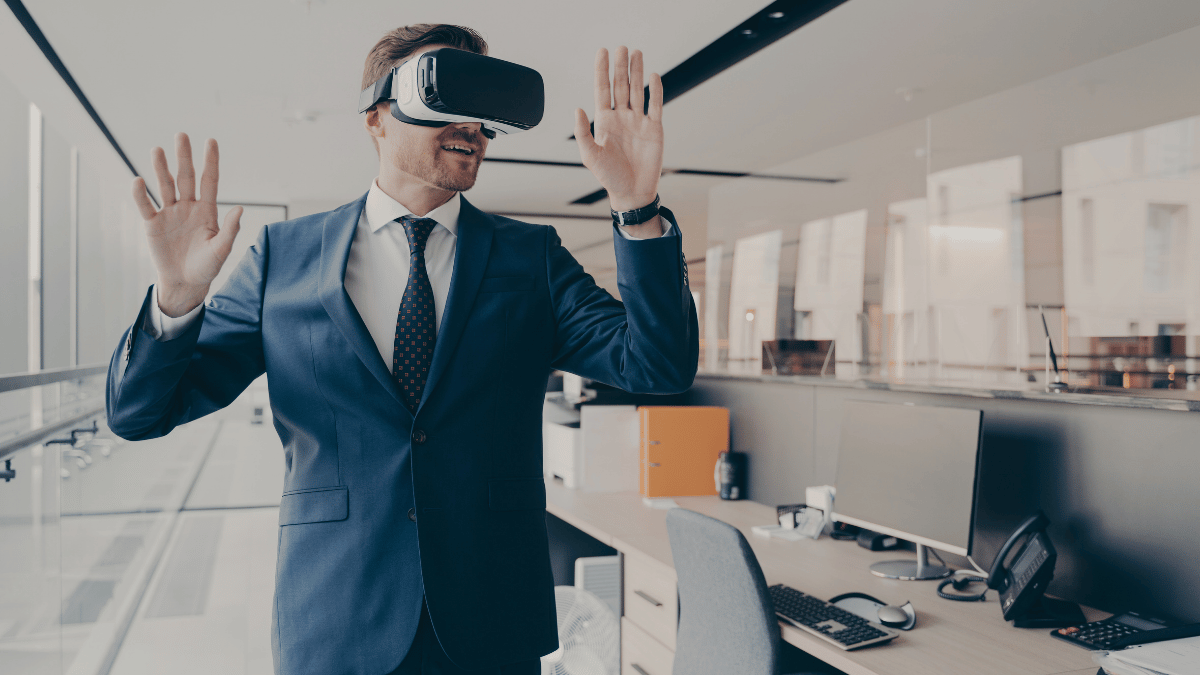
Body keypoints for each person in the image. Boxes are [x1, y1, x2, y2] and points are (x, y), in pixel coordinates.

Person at [107, 23, 696, 675]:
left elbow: (658, 365)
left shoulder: (530, 259)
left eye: (481, 105)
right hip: (335, 621)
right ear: (376, 117)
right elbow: (139, 413)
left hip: (489, 624)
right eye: (444, 94)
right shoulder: (284, 258)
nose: (470, 121)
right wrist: (177, 299)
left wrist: (637, 208)